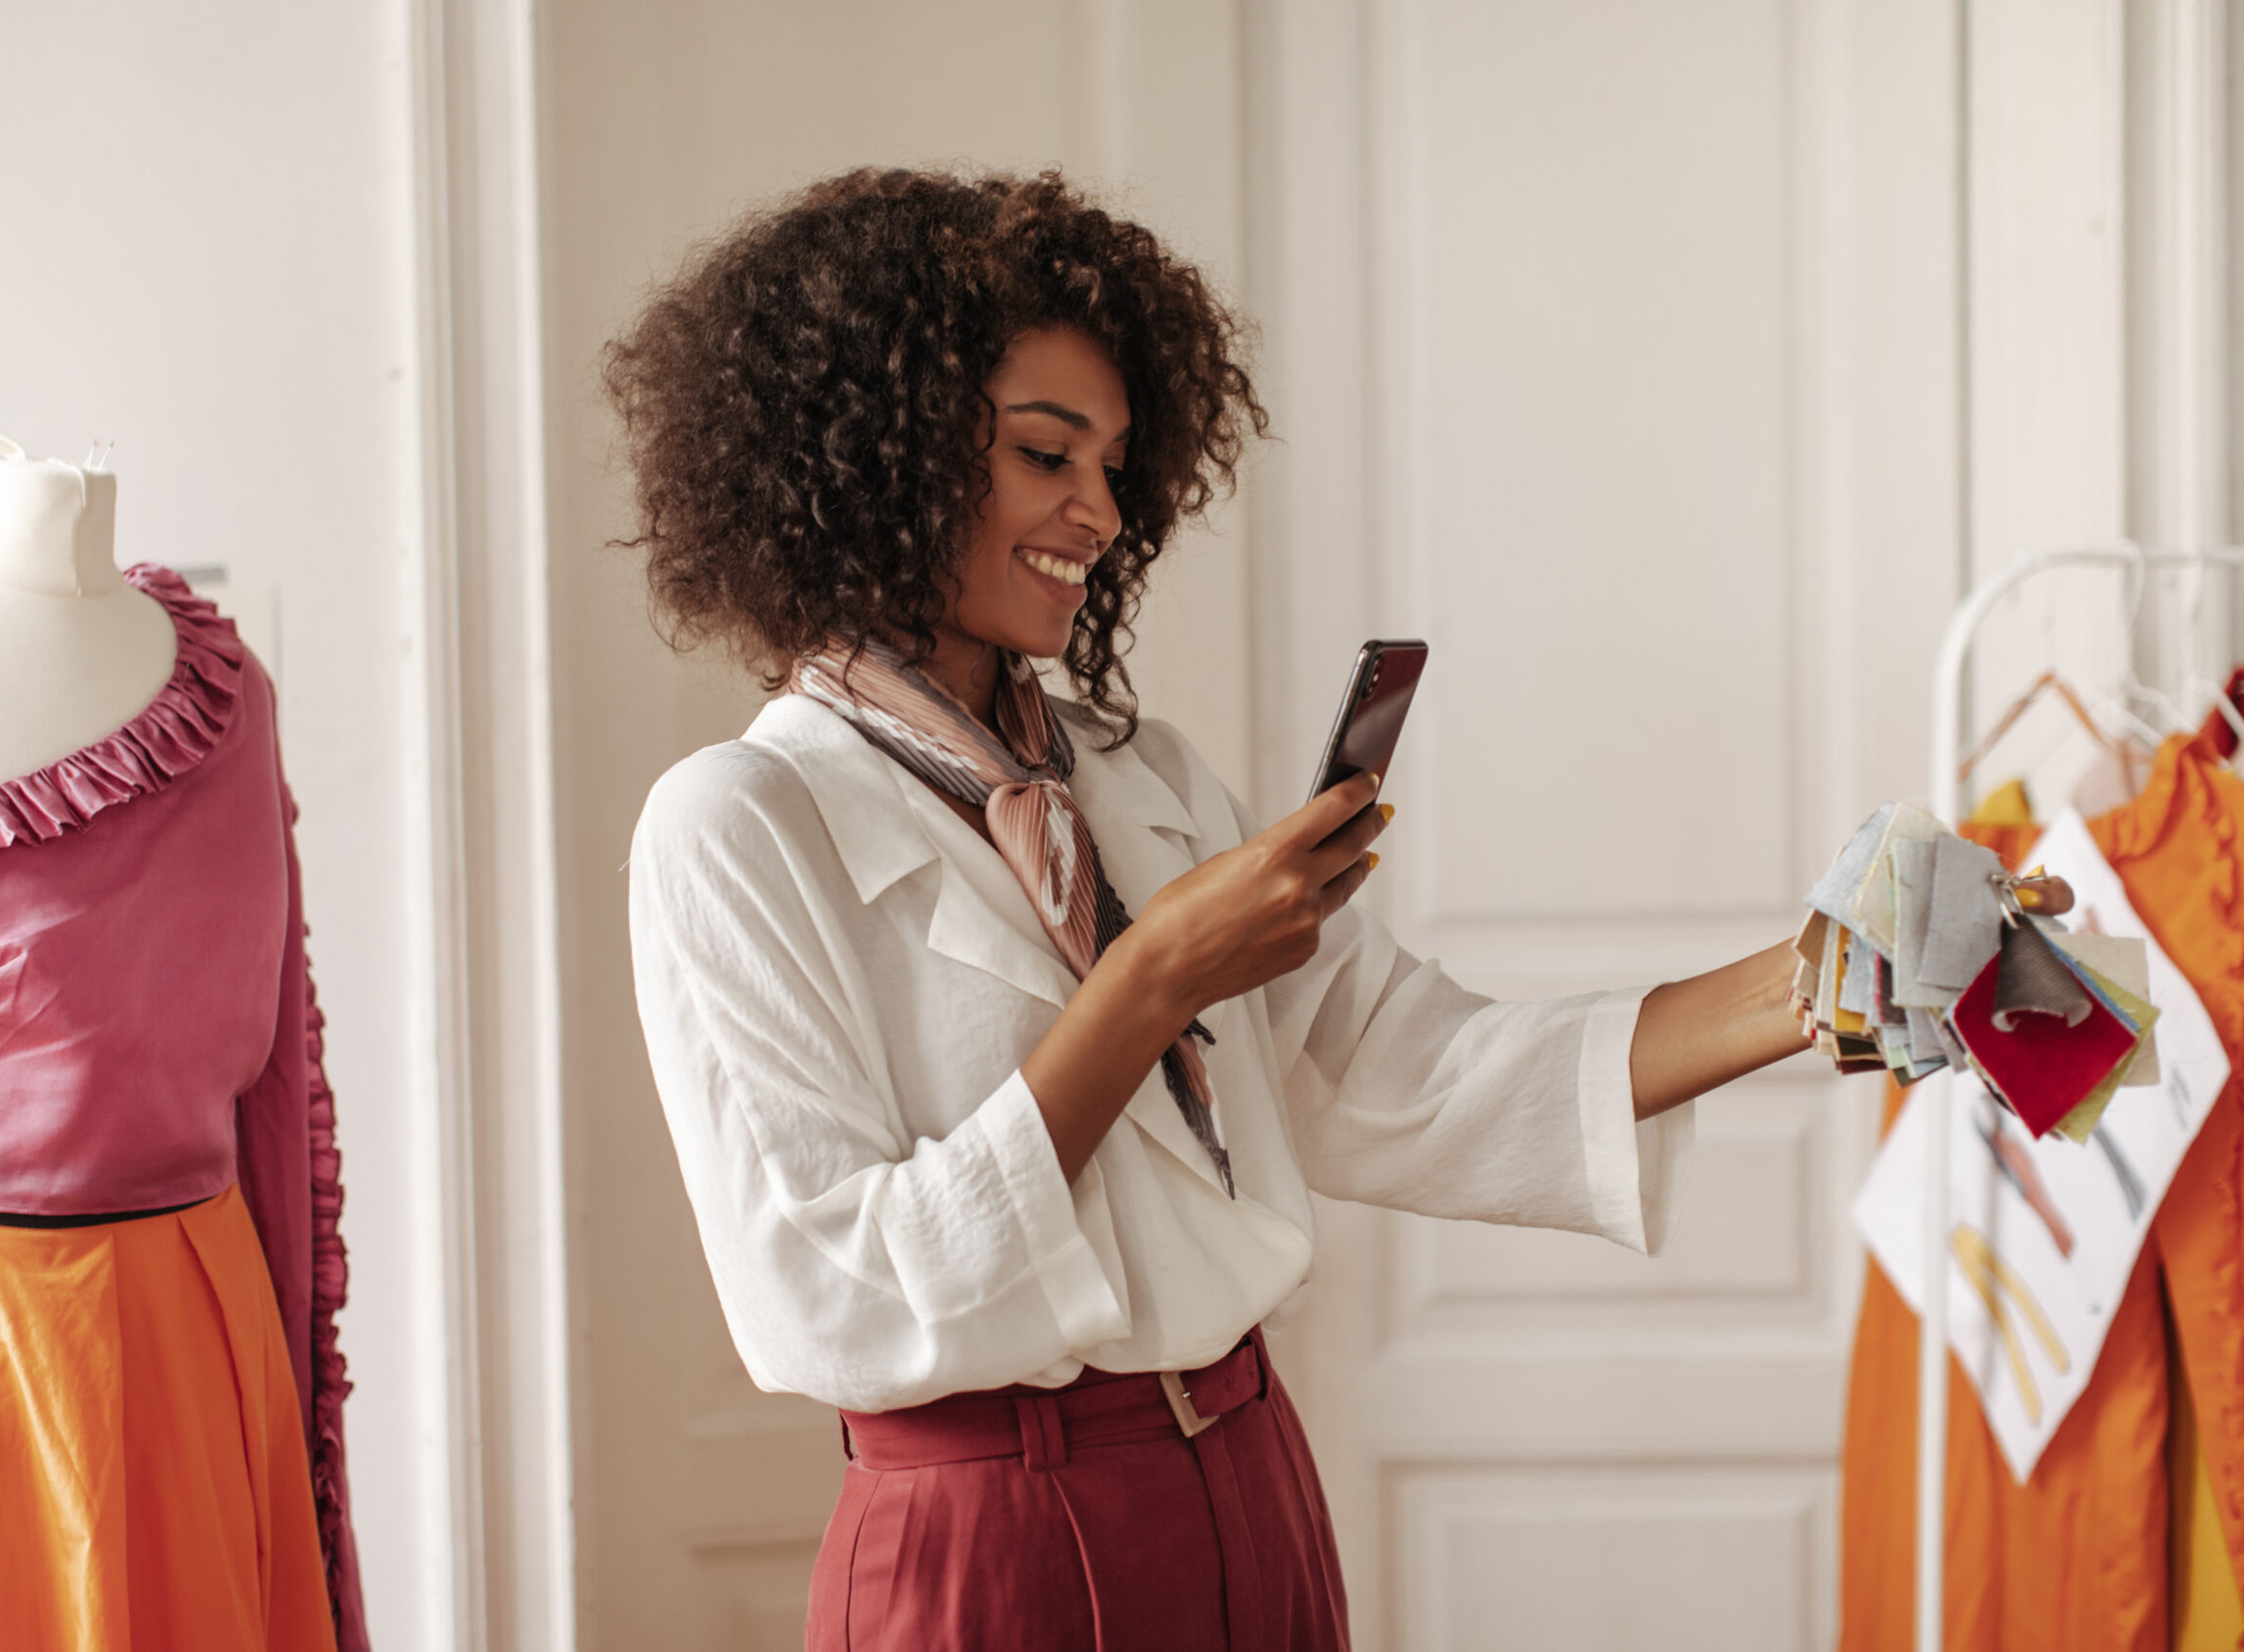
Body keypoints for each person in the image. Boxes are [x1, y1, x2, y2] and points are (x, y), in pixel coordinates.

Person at [613, 167, 1812, 1652]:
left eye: (1118, 464)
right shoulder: (739, 826)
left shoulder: (1140, 778)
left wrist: (1814, 986)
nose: (1098, 513)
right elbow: (830, 1299)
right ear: (883, 458)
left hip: (1250, 1483)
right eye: (1048, 453)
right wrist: (1149, 984)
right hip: (988, 1533)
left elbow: (1408, 1072)